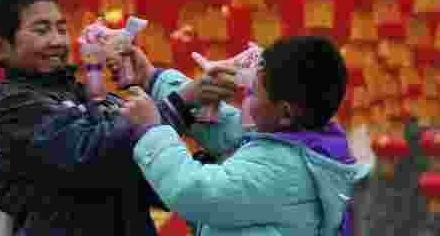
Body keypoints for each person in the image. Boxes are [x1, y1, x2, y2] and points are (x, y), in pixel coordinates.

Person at [0, 0, 236, 236]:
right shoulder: (13, 108)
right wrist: (181, 102)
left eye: (61, 29)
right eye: (41, 31)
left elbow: (146, 175)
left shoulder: (86, 97)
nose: (57, 41)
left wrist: (220, 164)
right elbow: (91, 155)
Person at [120, 36, 371, 236]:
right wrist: (154, 79)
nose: (246, 99)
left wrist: (152, 131)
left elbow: (195, 191)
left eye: (254, 92)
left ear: (284, 113)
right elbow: (228, 128)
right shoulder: (304, 142)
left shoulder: (278, 169)